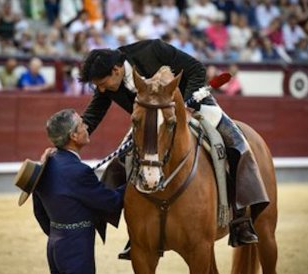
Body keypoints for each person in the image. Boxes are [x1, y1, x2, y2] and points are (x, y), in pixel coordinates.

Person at [78, 39, 269, 255]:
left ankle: (242, 219)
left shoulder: (153, 50)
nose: (101, 89)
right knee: (118, 163)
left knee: (237, 144)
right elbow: (94, 113)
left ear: (116, 69)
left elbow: (196, 69)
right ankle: (137, 233)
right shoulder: (108, 81)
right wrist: (74, 137)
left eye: (102, 83)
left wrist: (185, 105)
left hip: (194, 106)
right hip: (151, 122)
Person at [17, 108, 125, 274]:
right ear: (73, 136)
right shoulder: (79, 172)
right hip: (76, 249)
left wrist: (59, 233)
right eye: (82, 125)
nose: (87, 127)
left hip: (55, 247)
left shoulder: (46, 164)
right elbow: (112, 202)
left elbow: (40, 212)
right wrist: (134, 183)